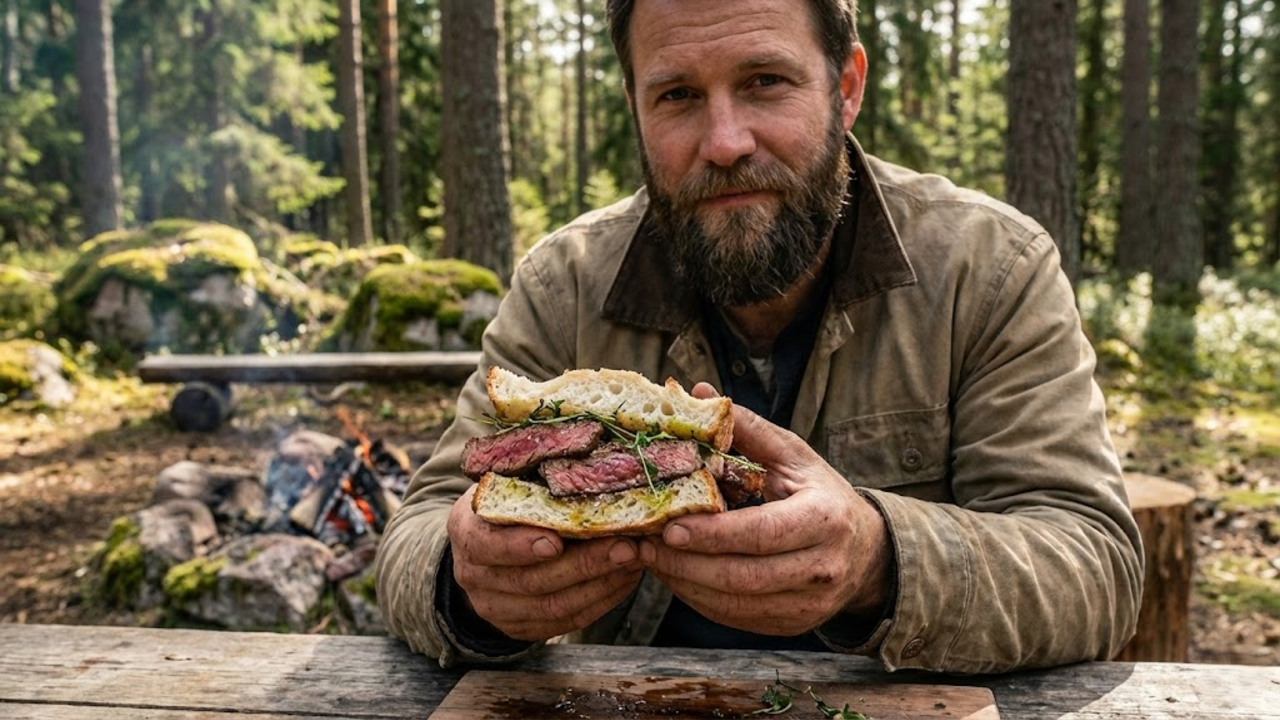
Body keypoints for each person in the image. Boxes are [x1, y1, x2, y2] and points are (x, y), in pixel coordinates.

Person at [375, 0, 1143, 674]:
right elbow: (416, 535)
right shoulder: (563, 287)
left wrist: (878, 559)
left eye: (765, 82)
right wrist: (468, 587)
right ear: (635, 108)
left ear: (846, 87)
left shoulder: (991, 271)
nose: (725, 142)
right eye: (677, 95)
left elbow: (1095, 564)